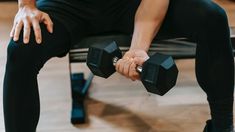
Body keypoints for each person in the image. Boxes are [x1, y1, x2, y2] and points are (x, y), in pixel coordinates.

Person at [3, 0, 234, 132]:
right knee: (21, 49)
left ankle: (222, 127)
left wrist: (137, 49)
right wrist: (26, 5)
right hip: (67, 4)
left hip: (130, 3)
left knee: (211, 18)